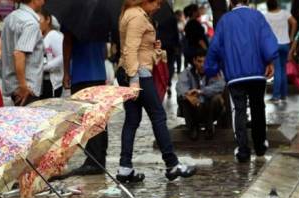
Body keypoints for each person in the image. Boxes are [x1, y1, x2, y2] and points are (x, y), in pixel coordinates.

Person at [116, 0, 196, 183]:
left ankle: (125, 167)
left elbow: (137, 48)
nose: (158, 7)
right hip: (139, 74)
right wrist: (135, 80)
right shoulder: (136, 16)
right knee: (158, 116)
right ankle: (172, 164)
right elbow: (130, 50)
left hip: (131, 72)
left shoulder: (131, 14)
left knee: (132, 120)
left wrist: (154, 49)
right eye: (157, 3)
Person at [204, 0, 278, 163]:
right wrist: (270, 61)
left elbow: (215, 47)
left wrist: (211, 69)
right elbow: (267, 40)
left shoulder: (225, 20)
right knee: (258, 107)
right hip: (257, 73)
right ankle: (260, 146)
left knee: (239, 110)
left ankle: (243, 150)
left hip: (235, 75)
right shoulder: (257, 16)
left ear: (231, 2)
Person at [56, 33, 109, 178]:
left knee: (87, 119)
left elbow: (67, 44)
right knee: (99, 117)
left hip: (80, 74)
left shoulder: (72, 21)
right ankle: (99, 158)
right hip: (98, 73)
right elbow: (105, 53)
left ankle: (93, 161)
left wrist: (66, 72)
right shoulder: (101, 19)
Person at [1, 0, 45, 106]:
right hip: (27, 89)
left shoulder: (10, 18)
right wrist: (23, 86)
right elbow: (19, 54)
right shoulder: (30, 23)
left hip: (15, 87)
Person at [176, 48, 225, 141]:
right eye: (199, 61)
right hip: (194, 109)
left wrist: (201, 91)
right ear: (194, 61)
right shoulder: (187, 72)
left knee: (217, 98)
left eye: (205, 62)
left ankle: (209, 127)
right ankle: (192, 129)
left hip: (210, 109)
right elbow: (180, 86)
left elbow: (221, 85)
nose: (202, 65)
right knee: (183, 98)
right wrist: (188, 95)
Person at [265, 0, 297, 103]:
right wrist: (291, 37)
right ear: (277, 4)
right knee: (283, 70)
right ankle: (283, 95)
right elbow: (294, 22)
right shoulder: (284, 13)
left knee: (277, 70)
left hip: (274, 45)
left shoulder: (267, 16)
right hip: (285, 44)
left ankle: (276, 96)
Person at [39, 9, 63, 98]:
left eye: (39, 19)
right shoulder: (40, 36)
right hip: (42, 82)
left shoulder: (54, 35)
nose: (37, 23)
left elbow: (61, 57)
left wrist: (44, 67)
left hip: (52, 83)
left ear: (48, 19)